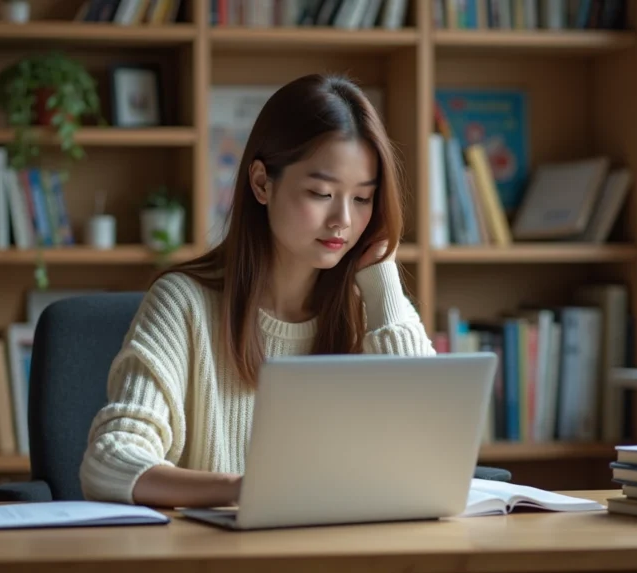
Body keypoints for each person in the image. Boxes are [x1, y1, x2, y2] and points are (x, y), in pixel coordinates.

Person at [79, 73, 436, 509]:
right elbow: (109, 460)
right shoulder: (183, 304)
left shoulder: (372, 311)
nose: (343, 219)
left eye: (363, 199)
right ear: (262, 183)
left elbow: (430, 453)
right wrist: (243, 490)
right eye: (321, 192)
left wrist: (382, 279)